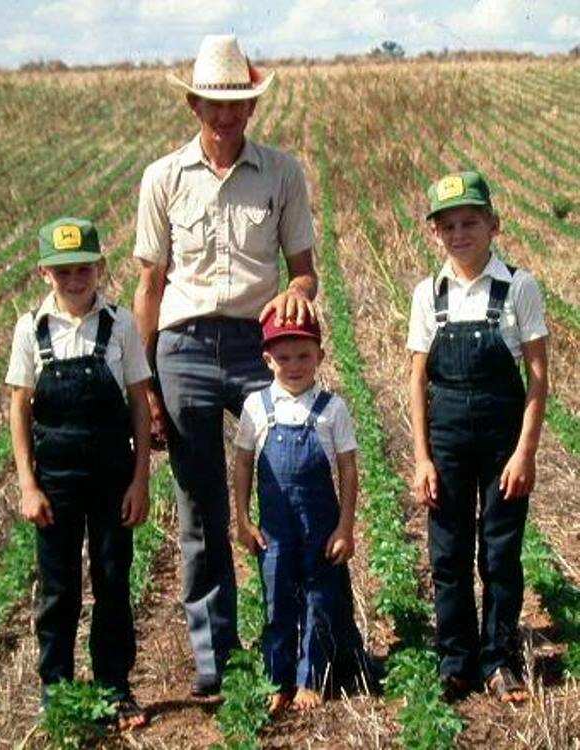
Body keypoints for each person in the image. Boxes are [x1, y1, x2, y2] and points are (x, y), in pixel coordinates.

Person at [133, 34, 317, 696]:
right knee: (202, 507)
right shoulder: (162, 178)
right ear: (193, 105)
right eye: (213, 103)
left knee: (289, 484)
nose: (225, 115)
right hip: (182, 349)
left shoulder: (282, 173)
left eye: (237, 103)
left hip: (256, 346)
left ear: (252, 107)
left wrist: (297, 296)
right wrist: (146, 386)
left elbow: (304, 272)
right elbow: (149, 287)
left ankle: (292, 641)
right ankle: (216, 656)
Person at [407, 171, 549, 702]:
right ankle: (455, 660)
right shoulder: (429, 293)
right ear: (435, 234)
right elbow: (417, 378)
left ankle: (499, 658)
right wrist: (422, 458)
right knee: (447, 552)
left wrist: (525, 452)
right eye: (448, 226)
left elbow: (538, 376)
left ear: (494, 224)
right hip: (446, 436)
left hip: (501, 438)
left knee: (499, 552)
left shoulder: (518, 286)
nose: (459, 234)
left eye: (470, 222)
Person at [7, 217, 151, 729]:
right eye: (63, 270)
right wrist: (28, 484)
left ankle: (114, 687)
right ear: (45, 273)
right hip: (56, 481)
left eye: (83, 268)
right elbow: (19, 408)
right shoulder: (31, 328)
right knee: (58, 588)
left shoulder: (120, 324)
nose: (74, 279)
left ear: (100, 267)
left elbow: (139, 403)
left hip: (112, 477)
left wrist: (140, 479)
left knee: (112, 580)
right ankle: (58, 691)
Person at [234, 311, 368, 714]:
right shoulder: (257, 407)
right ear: (267, 360)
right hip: (275, 528)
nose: (294, 366)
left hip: (320, 526)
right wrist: (242, 519)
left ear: (320, 356)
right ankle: (277, 679)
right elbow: (243, 463)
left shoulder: (332, 408)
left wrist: (345, 526)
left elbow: (347, 468)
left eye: (303, 356)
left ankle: (312, 677)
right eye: (284, 358)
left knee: (319, 598)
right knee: (276, 599)